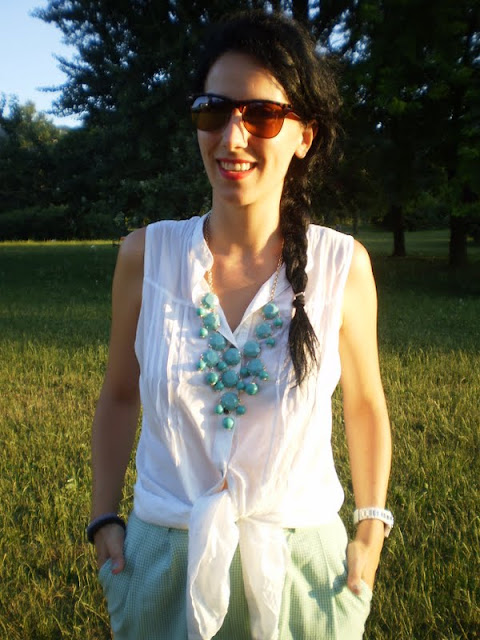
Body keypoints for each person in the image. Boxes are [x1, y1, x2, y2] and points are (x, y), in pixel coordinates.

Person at [88, 10, 392, 640]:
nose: (232, 137)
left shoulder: (342, 266)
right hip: (163, 562)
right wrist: (103, 519)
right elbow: (119, 393)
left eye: (262, 115)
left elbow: (365, 403)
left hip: (303, 572)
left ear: (304, 135)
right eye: (214, 111)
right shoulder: (146, 257)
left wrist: (370, 527)